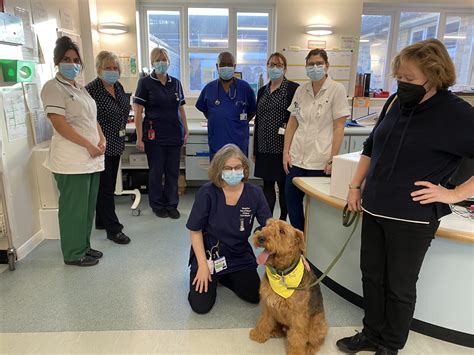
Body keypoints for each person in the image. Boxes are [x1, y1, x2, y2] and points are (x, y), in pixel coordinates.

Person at [336, 39, 474, 355]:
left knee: (399, 287)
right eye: (400, 77)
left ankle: (391, 344)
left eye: (410, 79)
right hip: (374, 209)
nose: (403, 84)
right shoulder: (396, 102)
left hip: (413, 220)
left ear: (435, 76)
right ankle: (371, 333)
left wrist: (453, 193)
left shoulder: (457, 114)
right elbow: (372, 146)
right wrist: (355, 185)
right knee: (371, 277)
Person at [40, 36, 105, 266]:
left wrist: (102, 138)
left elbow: (91, 119)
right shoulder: (52, 87)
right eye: (67, 59)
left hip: (91, 158)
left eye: (76, 59)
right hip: (71, 160)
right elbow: (60, 124)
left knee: (87, 209)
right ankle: (73, 253)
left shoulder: (80, 88)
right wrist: (88, 144)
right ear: (57, 62)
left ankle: (84, 246)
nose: (72, 63)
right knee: (73, 210)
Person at [186, 144, 272, 314]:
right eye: (227, 168)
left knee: (255, 296)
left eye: (237, 167)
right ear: (219, 170)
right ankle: (213, 274)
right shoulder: (207, 193)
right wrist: (202, 266)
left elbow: (270, 226)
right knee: (201, 306)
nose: (233, 172)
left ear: (244, 168)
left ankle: (224, 276)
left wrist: (295, 253)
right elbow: (195, 230)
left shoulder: (255, 193)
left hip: (238, 254)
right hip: (210, 255)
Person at [283, 48, 350, 231]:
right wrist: (286, 153)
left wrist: (332, 158)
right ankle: (300, 238)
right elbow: (292, 122)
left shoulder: (336, 89)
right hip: (297, 159)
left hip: (320, 162)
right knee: (292, 203)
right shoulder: (301, 90)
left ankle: (313, 244)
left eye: (318, 63)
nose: (315, 67)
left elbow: (339, 126)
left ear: (327, 65)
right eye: (311, 64)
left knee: (318, 209)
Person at [133, 48, 188, 219]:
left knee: (172, 171)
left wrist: (186, 130)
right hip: (153, 135)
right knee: (156, 171)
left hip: (174, 133)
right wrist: (139, 137)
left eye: (164, 59)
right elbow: (138, 111)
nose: (161, 62)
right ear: (152, 63)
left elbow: (181, 108)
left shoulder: (176, 83)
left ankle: (171, 204)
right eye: (158, 59)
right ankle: (157, 204)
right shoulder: (145, 83)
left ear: (169, 62)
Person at [85, 51, 131, 245]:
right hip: (101, 146)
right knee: (105, 188)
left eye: (115, 68)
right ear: (98, 69)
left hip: (116, 144)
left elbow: (123, 109)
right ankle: (113, 229)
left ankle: (101, 221)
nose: (112, 71)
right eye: (108, 68)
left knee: (108, 185)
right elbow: (88, 119)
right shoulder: (91, 90)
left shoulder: (118, 86)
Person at [254, 52, 299, 221]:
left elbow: (296, 120)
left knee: (283, 186)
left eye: (279, 65)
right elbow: (258, 120)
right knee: (267, 186)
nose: (274, 68)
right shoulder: (261, 91)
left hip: (283, 149)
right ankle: (268, 222)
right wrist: (255, 149)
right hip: (264, 147)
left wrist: (288, 150)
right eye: (271, 65)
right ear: (267, 67)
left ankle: (282, 222)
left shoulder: (293, 89)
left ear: (285, 69)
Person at [195, 52, 257, 160]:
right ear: (217, 67)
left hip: (239, 143)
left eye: (229, 64)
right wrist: (217, 119)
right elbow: (205, 111)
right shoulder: (209, 88)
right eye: (223, 64)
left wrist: (239, 123)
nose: (226, 67)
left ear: (234, 66)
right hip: (217, 142)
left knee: (238, 173)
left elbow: (253, 110)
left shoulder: (244, 88)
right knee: (217, 174)